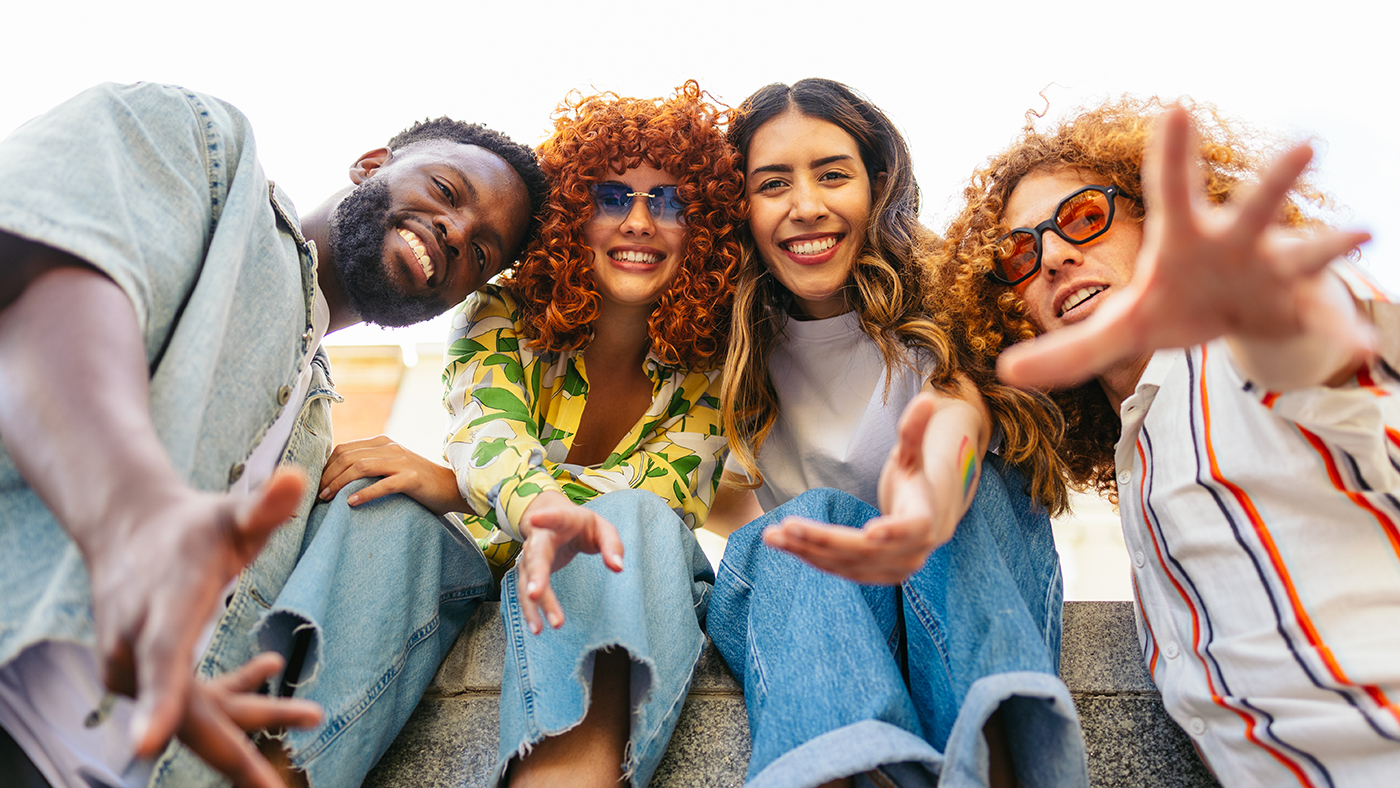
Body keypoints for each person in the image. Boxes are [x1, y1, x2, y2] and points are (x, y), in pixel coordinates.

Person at [0, 81, 546, 788]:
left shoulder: (313, 436)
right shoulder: (209, 150)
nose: (457, 233)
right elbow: (44, 280)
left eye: (482, 255)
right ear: (371, 163)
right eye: (446, 190)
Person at [941, 96, 1397, 786]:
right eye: (1019, 253)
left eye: (1084, 218)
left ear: (1155, 219)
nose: (1054, 256)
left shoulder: (1253, 330)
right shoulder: (1142, 460)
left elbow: (1348, 367)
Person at [316, 81, 745, 787]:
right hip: (472, 574)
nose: (640, 221)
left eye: (669, 202)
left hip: (621, 593)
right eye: (613, 197)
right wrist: (483, 488)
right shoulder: (501, 312)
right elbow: (490, 433)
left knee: (632, 521)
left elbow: (661, 497)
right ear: (572, 214)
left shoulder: (712, 367)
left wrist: (456, 487)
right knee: (384, 511)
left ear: (704, 230)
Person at [702, 78, 1087, 788]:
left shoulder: (943, 303)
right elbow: (688, 488)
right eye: (773, 184)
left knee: (981, 487)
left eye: (832, 175)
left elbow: (956, 414)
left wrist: (928, 504)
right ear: (741, 208)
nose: (806, 206)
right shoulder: (725, 349)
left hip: (961, 590)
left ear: (876, 186)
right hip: (829, 624)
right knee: (798, 526)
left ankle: (992, 767)